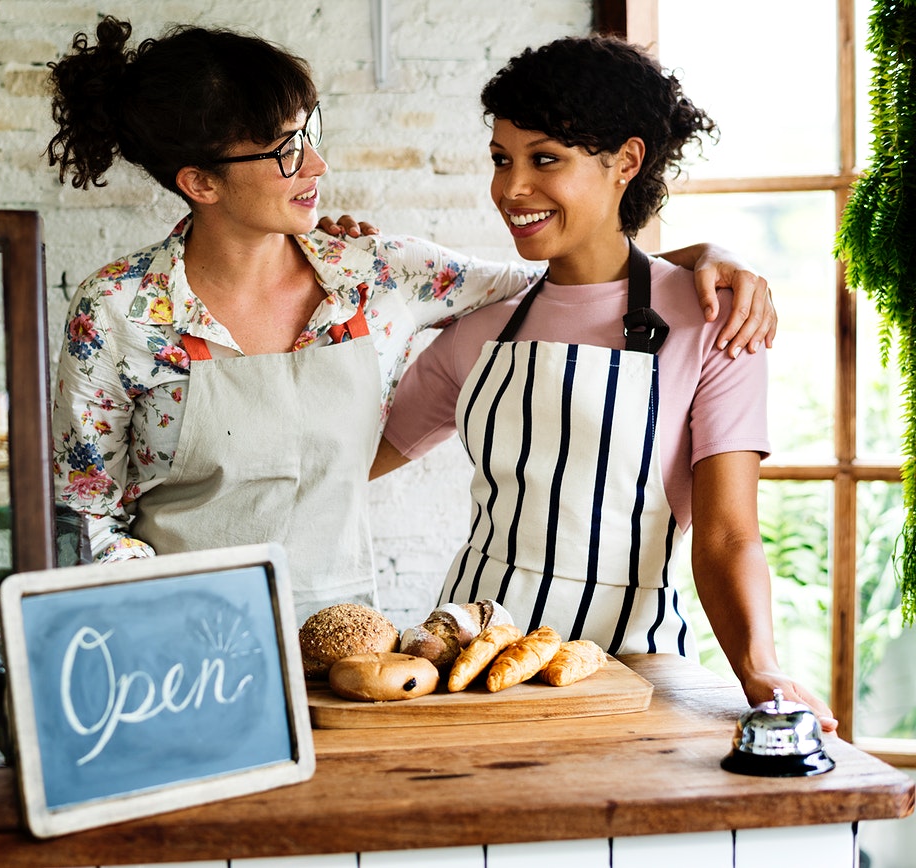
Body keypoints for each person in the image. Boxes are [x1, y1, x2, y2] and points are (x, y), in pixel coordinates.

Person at [45, 18, 777, 624]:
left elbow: (571, 277)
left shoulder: (380, 275)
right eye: (286, 150)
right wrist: (152, 628)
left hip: (341, 642)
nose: (317, 164)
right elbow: (86, 518)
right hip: (168, 638)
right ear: (199, 182)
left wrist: (711, 255)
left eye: (310, 131)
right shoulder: (116, 311)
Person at [372, 35, 835, 729]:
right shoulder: (481, 328)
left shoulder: (713, 320)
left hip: (630, 673)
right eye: (502, 160)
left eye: (544, 160)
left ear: (626, 161)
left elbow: (727, 537)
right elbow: (340, 465)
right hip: (466, 665)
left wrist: (759, 668)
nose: (511, 188)